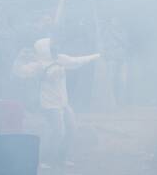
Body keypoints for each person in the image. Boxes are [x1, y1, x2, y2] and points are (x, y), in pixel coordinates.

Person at [13, 35, 100, 166]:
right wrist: (19, 58)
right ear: (45, 49)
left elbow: (77, 61)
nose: (55, 48)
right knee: (58, 132)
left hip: (63, 103)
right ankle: (43, 159)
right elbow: (19, 72)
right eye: (52, 47)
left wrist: (96, 56)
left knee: (72, 129)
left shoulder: (60, 59)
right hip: (49, 104)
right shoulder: (38, 65)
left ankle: (61, 158)